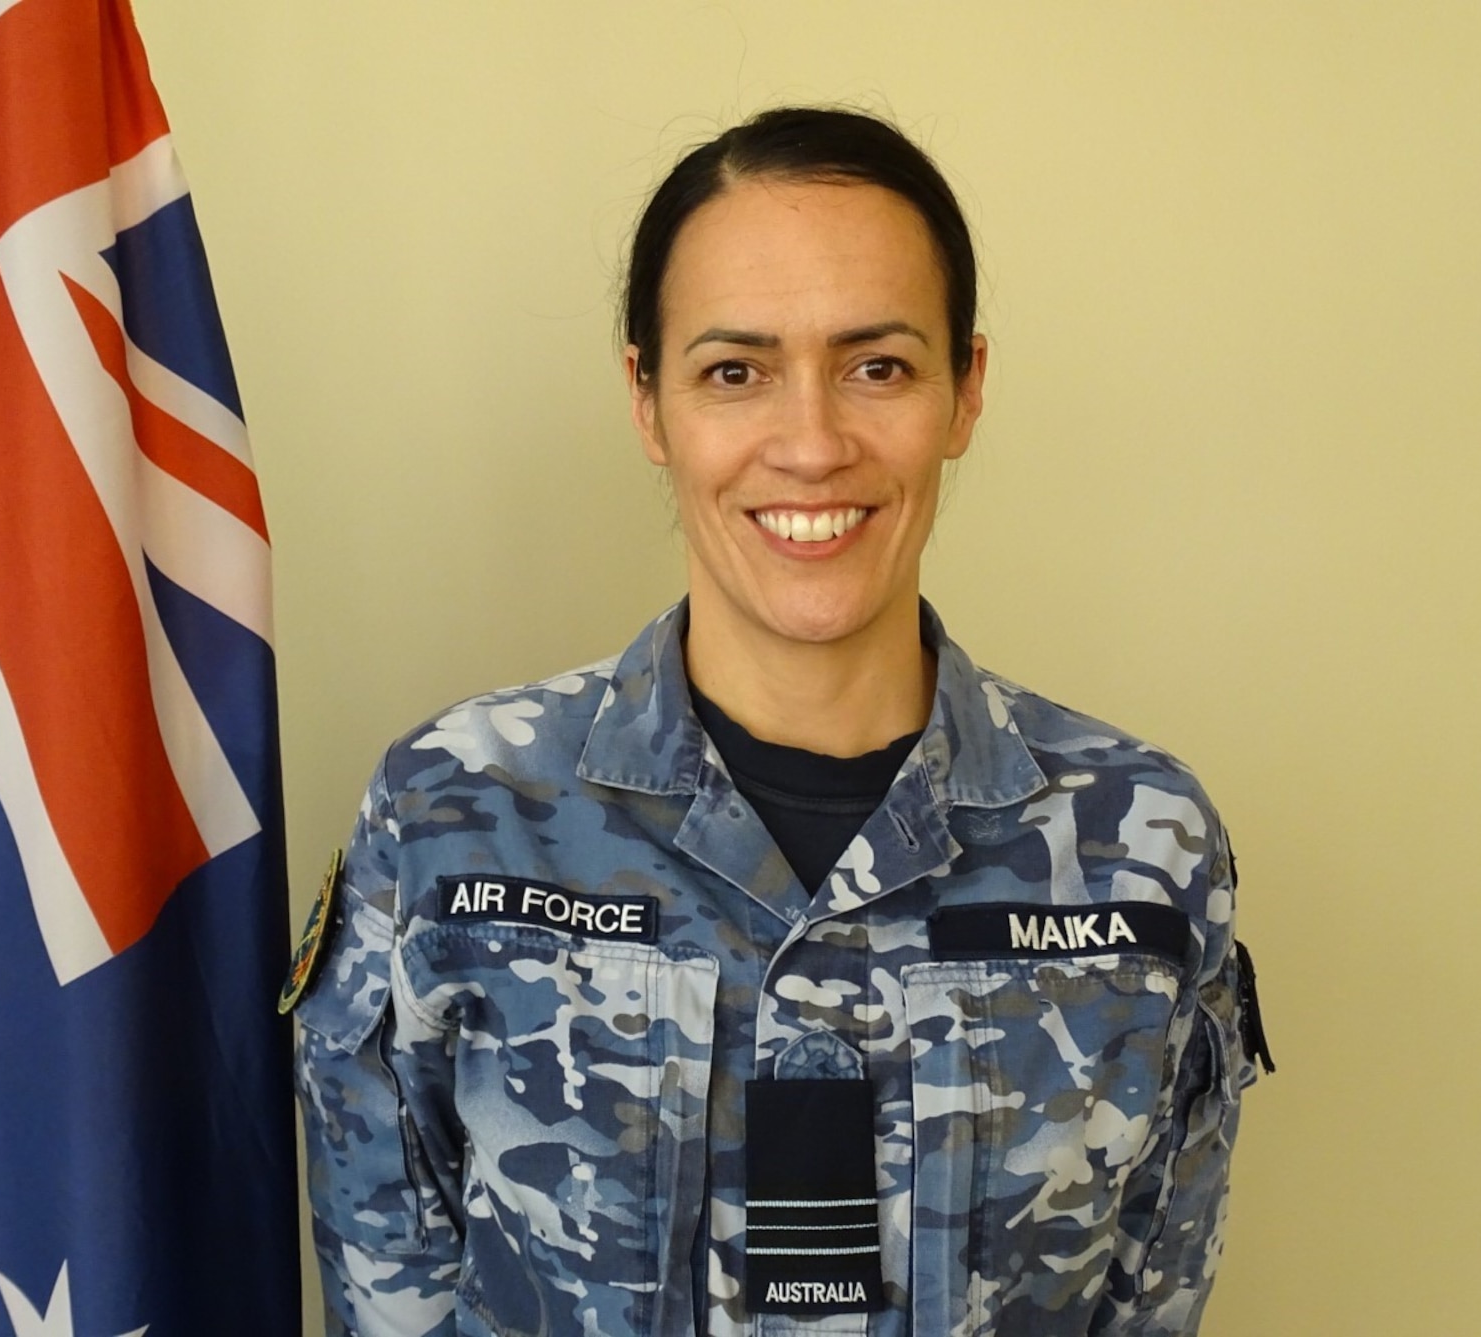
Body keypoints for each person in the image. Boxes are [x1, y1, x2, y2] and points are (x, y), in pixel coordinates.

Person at [285, 106, 1269, 1337]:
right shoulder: (451, 817)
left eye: (877, 366)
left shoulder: (1143, 843)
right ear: (647, 402)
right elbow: (393, 1291)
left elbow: (1146, 1295)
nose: (809, 443)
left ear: (965, 390)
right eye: (733, 371)